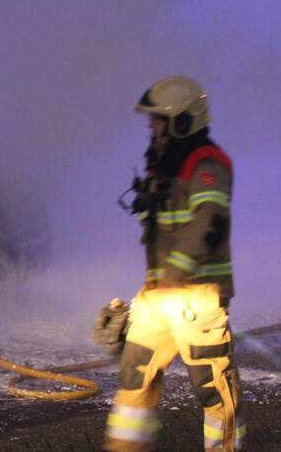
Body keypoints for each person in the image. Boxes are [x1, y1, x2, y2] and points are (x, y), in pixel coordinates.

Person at [105, 76, 245, 451]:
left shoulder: (206, 163)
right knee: (134, 380)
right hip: (159, 295)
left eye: (158, 119)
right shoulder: (165, 166)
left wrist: (174, 274)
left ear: (182, 120)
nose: (151, 126)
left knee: (213, 389)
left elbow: (207, 223)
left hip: (196, 298)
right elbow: (163, 230)